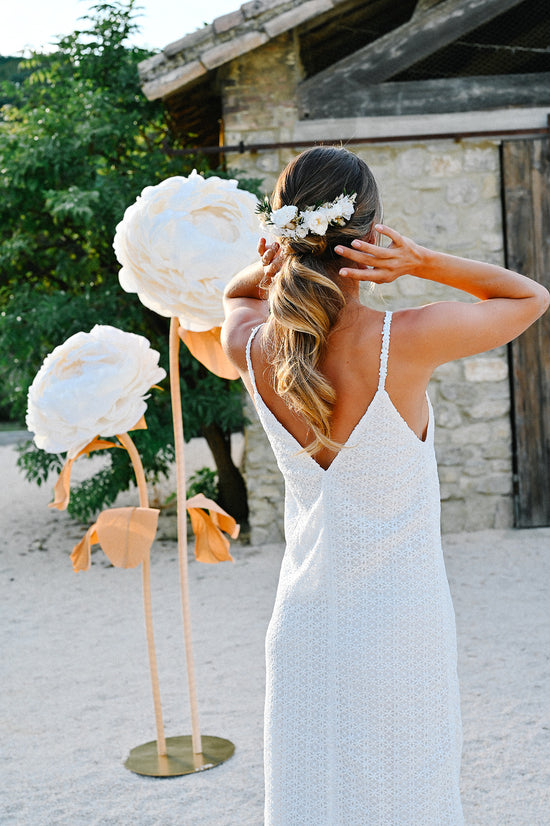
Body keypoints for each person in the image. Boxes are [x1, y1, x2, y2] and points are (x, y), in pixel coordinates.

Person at [220, 146, 549, 825]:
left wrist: (273, 260)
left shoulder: (252, 348)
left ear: (282, 238)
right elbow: (529, 297)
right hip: (400, 629)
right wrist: (421, 260)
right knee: (409, 802)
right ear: (371, 238)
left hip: (304, 626)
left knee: (314, 800)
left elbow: (235, 295)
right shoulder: (411, 338)